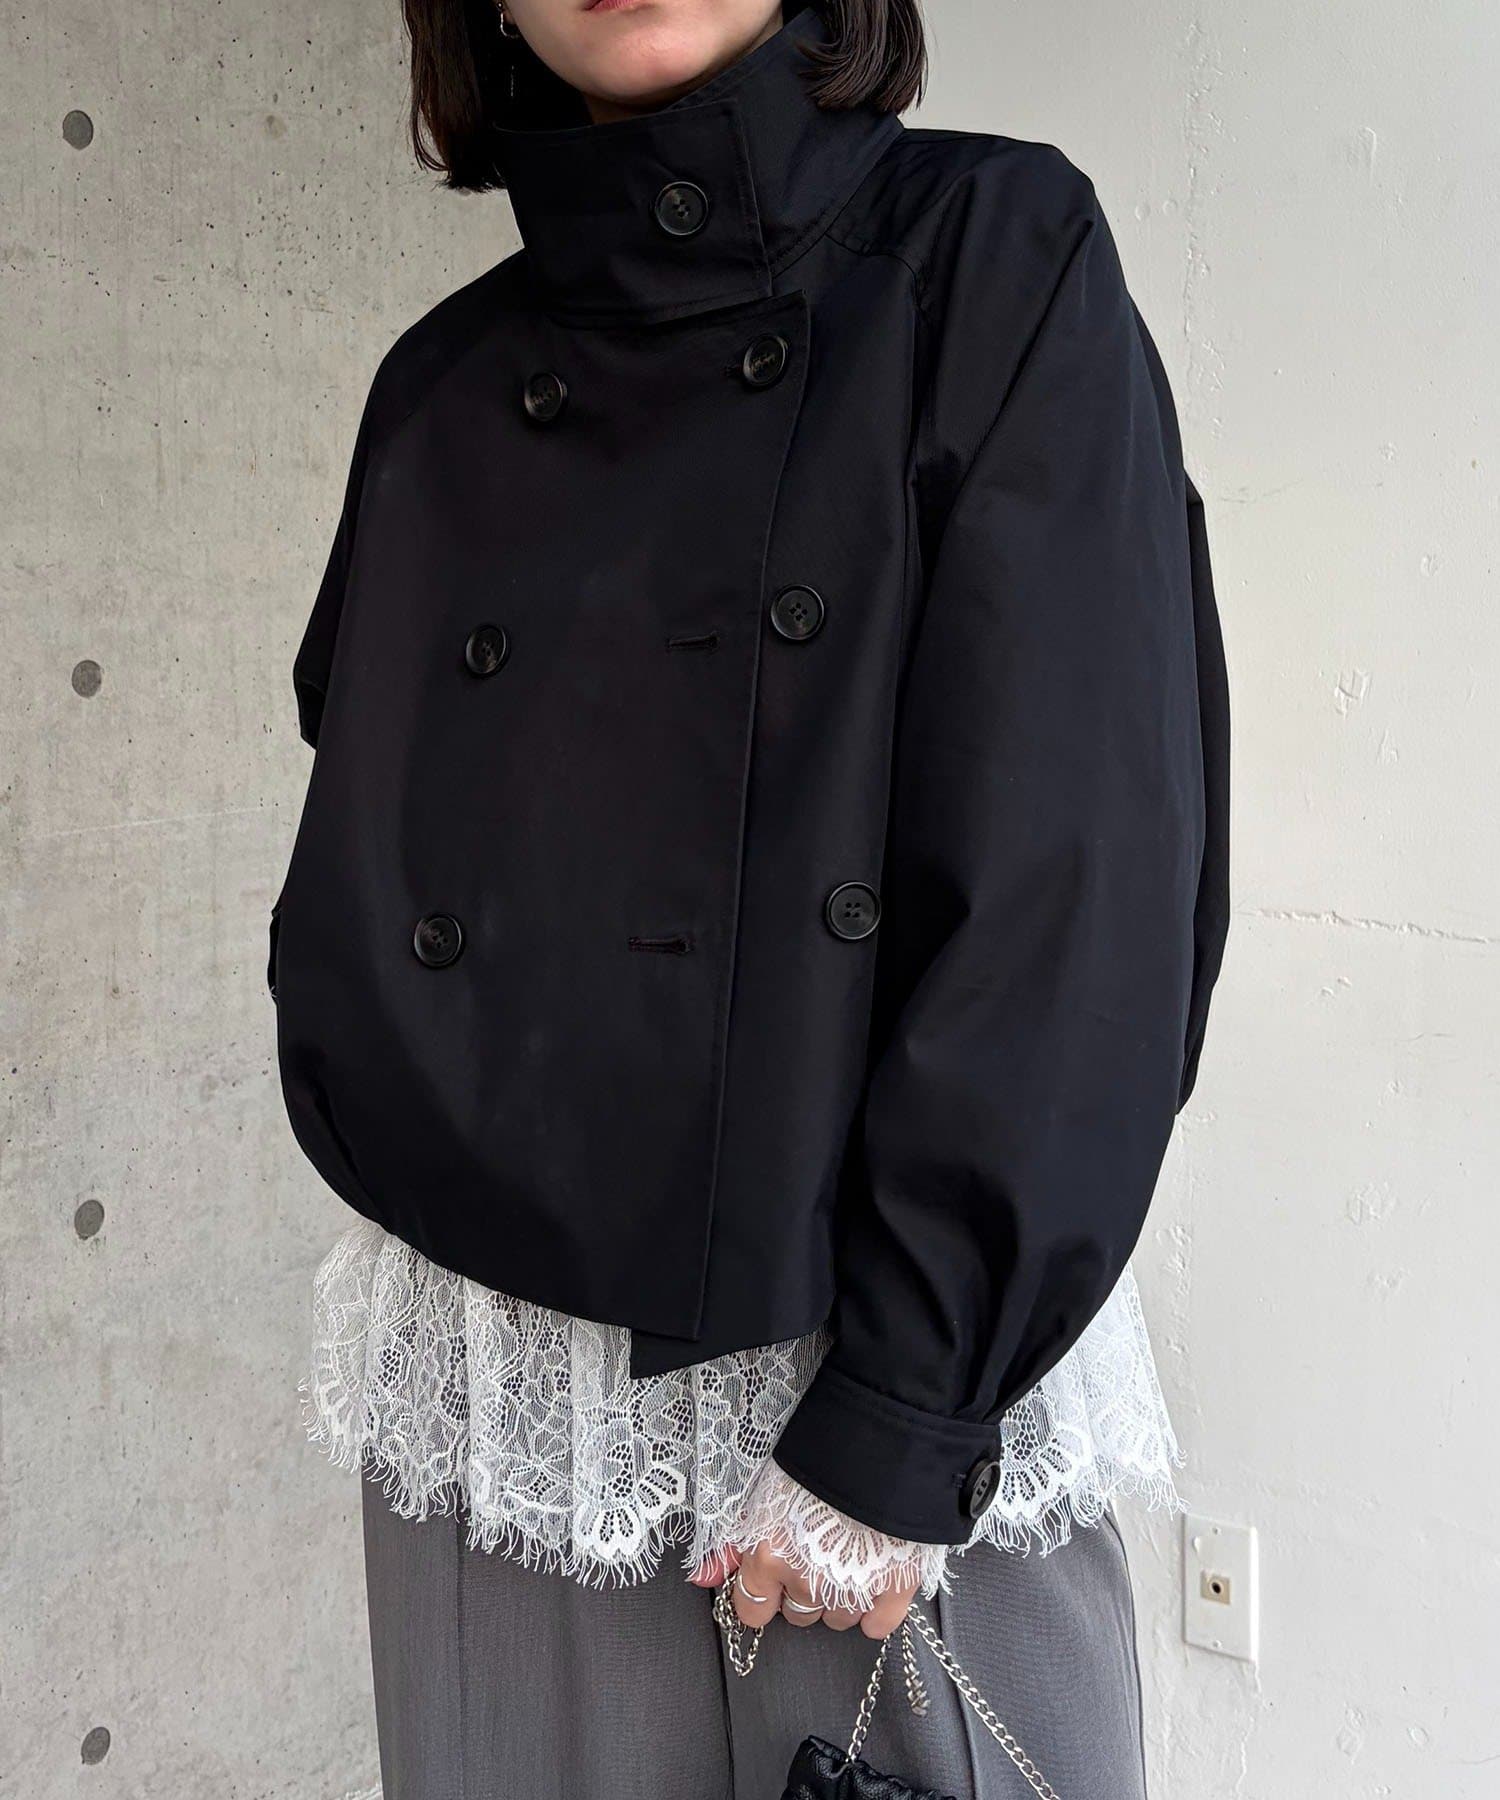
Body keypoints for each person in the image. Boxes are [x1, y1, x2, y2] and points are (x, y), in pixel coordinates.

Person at [272, 2, 1230, 1793]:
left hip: (866, 1397)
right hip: (506, 1400)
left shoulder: (990, 257)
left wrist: (907, 1410)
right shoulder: (439, 382)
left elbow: (1079, 875)